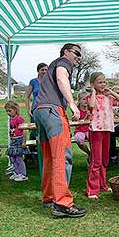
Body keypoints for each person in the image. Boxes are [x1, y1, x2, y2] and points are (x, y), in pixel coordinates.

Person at [33, 43, 87, 218]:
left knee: (48, 155)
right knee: (62, 155)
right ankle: (62, 203)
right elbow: (61, 78)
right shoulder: (64, 62)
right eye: (76, 53)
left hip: (40, 111)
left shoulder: (55, 63)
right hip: (52, 110)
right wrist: (72, 104)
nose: (78, 57)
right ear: (66, 52)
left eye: (80, 55)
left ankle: (49, 197)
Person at [86, 72, 119, 199]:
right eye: (100, 82)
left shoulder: (107, 97)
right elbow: (91, 105)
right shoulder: (91, 97)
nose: (103, 84)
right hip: (96, 131)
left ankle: (102, 184)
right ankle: (92, 190)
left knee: (105, 160)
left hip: (107, 130)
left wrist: (112, 93)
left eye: (104, 82)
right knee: (96, 160)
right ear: (93, 84)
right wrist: (93, 92)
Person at [4, 100, 30, 182]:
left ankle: (22, 174)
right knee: (12, 157)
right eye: (7, 111)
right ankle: (16, 172)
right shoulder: (10, 119)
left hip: (19, 140)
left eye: (9, 111)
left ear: (15, 109)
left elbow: (24, 130)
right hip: (13, 140)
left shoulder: (19, 119)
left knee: (18, 158)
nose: (8, 113)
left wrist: (24, 142)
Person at [25, 63, 48, 141]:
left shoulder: (49, 82)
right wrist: (28, 110)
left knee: (45, 129)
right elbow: (27, 96)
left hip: (46, 108)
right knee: (34, 130)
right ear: (38, 71)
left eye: (46, 70)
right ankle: (33, 150)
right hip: (35, 108)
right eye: (42, 70)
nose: (44, 71)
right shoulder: (33, 81)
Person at [73, 91, 91, 158]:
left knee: (94, 138)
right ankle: (89, 153)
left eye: (87, 99)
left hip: (89, 130)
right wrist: (85, 117)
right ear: (79, 101)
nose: (86, 101)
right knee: (79, 139)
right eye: (84, 99)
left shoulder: (90, 109)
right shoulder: (76, 111)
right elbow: (76, 125)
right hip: (79, 130)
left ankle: (94, 155)